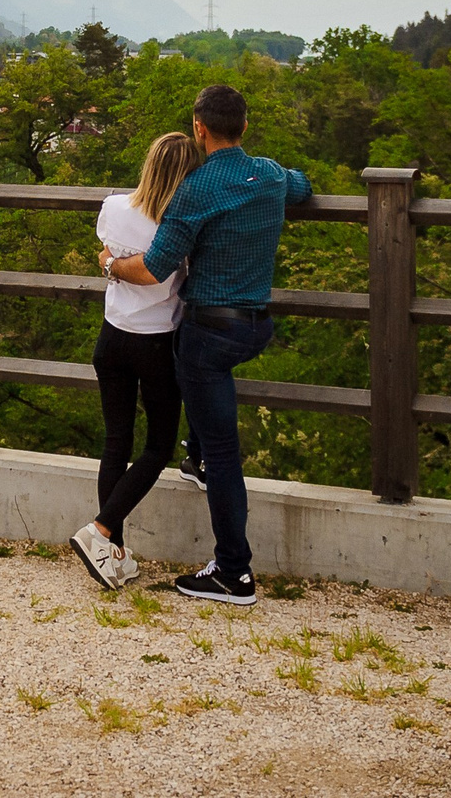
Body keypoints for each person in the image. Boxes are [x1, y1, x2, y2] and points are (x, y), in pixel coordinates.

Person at [99, 83, 309, 604]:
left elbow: (152, 268)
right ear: (245, 125)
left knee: (222, 450)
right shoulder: (272, 175)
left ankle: (233, 572)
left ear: (199, 128)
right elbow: (303, 188)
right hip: (256, 324)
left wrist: (108, 264)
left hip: (210, 333)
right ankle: (195, 452)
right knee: (202, 421)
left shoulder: (195, 188)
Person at [70, 131, 199, 590]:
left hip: (112, 337)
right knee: (159, 447)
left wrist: (109, 263)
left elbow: (104, 252)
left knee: (116, 442)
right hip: (156, 342)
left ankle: (113, 554)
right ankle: (100, 531)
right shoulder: (179, 224)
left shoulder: (114, 206)